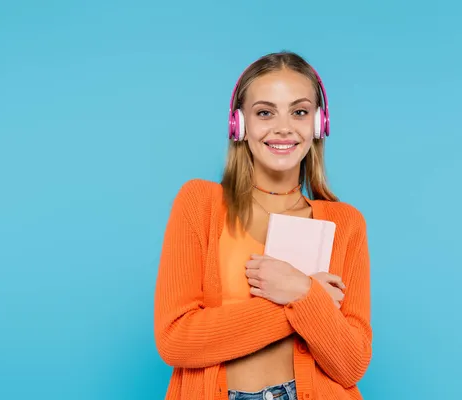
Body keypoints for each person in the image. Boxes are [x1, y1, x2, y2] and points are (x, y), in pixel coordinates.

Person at [153, 51, 372, 400]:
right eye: (265, 112)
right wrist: (306, 298)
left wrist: (300, 290)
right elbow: (176, 339)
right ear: (239, 125)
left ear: (319, 123)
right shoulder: (199, 203)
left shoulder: (346, 223)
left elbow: (350, 364)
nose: (283, 127)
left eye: (299, 112)